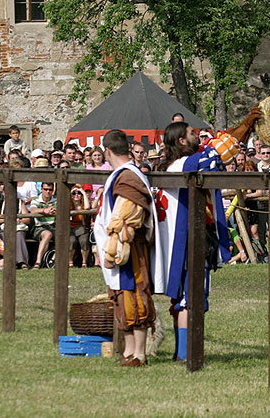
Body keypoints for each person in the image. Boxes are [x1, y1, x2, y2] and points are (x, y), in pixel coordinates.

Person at [158, 107, 259, 363]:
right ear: (181, 141)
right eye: (192, 133)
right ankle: (186, 354)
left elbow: (225, 148)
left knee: (187, 296)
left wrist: (245, 130)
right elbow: (221, 150)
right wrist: (247, 122)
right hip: (186, 239)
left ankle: (184, 351)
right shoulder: (183, 164)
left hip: (191, 237)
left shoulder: (183, 162)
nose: (197, 137)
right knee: (188, 297)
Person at [94, 129, 162, 367]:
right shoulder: (122, 174)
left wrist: (113, 250)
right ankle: (130, 351)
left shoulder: (128, 177)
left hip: (129, 250)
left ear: (107, 151)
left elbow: (128, 218)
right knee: (122, 297)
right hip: (121, 248)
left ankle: (139, 353)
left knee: (135, 295)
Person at [29, 181, 57, 269]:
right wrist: (45, 211)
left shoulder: (57, 200)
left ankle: (54, 259)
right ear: (41, 189)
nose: (48, 191)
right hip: (39, 227)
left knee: (66, 235)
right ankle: (38, 262)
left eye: (50, 190)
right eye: (45, 189)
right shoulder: (36, 200)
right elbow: (33, 210)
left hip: (54, 226)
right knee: (48, 234)